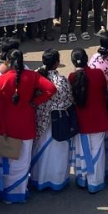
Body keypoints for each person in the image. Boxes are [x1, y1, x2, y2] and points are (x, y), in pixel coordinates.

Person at [0, 50, 57, 203]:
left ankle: (7, 192)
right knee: (23, 160)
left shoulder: (1, 80)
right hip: (27, 123)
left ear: (8, 62)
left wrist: (1, 128)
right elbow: (51, 89)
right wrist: (35, 101)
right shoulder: (32, 76)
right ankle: (20, 192)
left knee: (9, 160)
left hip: (8, 126)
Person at [30, 50, 73, 192]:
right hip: (57, 123)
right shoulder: (61, 81)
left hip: (40, 121)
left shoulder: (35, 76)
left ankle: (37, 179)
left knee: (39, 152)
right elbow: (68, 101)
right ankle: (56, 181)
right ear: (56, 63)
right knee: (56, 154)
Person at [69, 48, 108, 193]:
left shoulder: (72, 77)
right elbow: (105, 91)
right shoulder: (98, 74)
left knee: (82, 152)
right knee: (97, 153)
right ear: (87, 59)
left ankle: (82, 179)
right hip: (98, 120)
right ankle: (95, 182)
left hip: (81, 122)